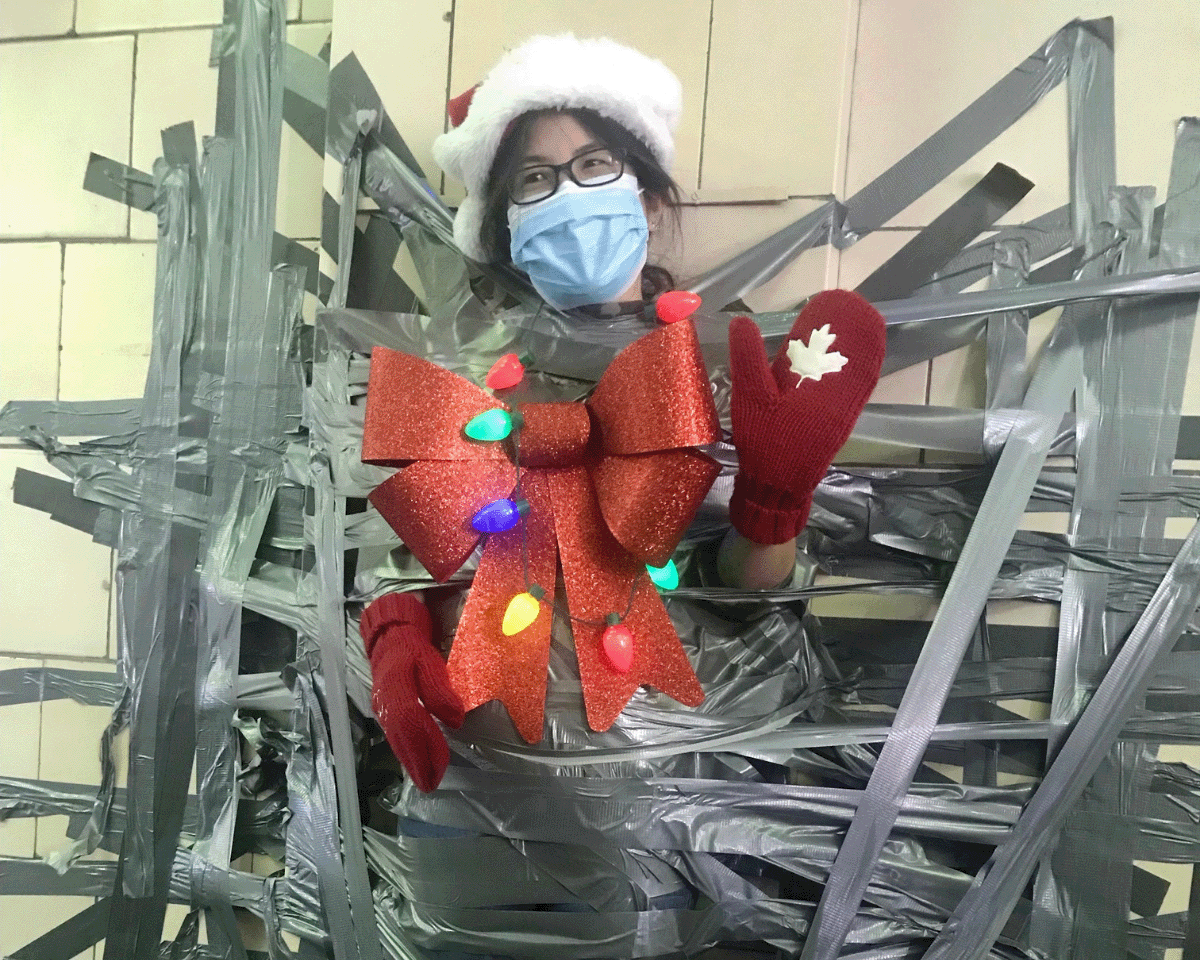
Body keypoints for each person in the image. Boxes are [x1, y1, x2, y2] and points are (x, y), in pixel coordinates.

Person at [357, 33, 885, 951]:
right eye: (534, 180)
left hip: (648, 811)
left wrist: (773, 501)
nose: (568, 195)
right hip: (462, 793)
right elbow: (399, 554)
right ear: (503, 223)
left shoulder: (719, 369)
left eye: (592, 164)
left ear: (642, 189)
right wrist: (393, 634)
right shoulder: (457, 368)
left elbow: (753, 607)